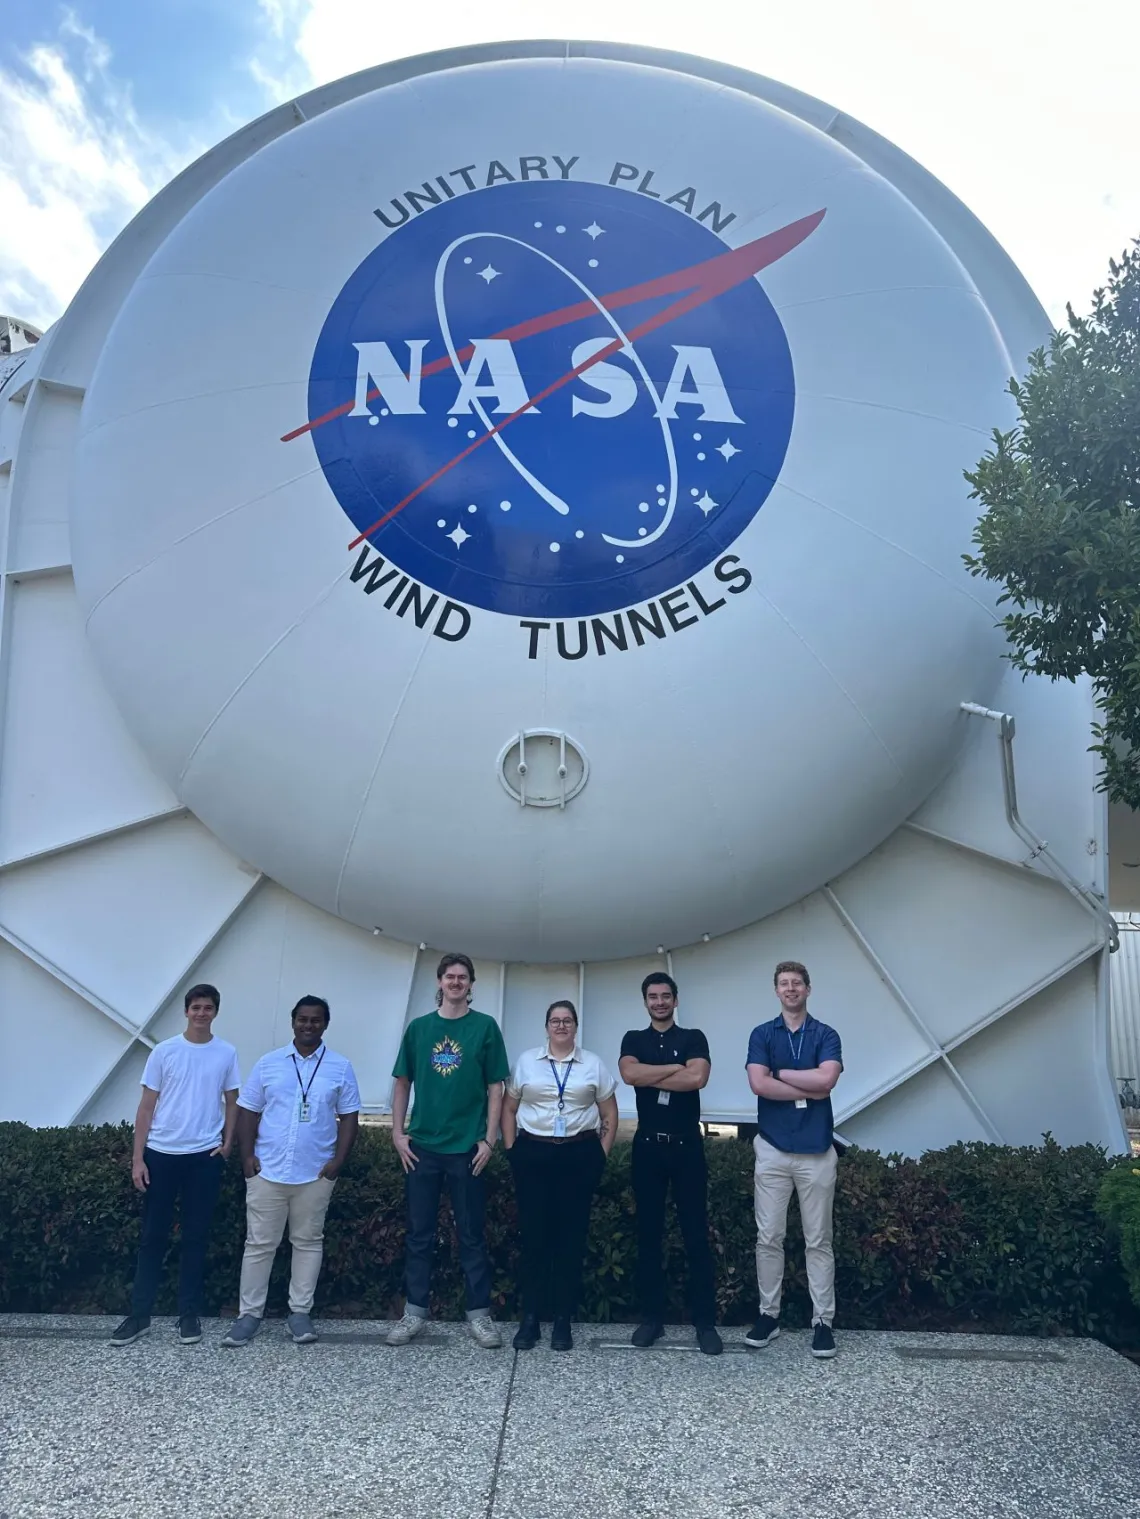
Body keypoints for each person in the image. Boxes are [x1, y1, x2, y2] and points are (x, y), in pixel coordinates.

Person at [387, 952, 510, 1349]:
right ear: (439, 982)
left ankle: (480, 1316)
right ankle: (414, 1313)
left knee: (471, 1235)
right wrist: (397, 1133)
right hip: (422, 1147)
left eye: (463, 977)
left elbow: (497, 1087)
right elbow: (402, 1081)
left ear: (472, 985)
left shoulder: (485, 1028)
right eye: (449, 976)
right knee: (419, 1235)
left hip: (466, 1149)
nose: (456, 982)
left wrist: (490, 1139)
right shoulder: (419, 1029)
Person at [222, 995, 360, 1347]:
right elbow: (249, 1110)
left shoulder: (340, 1067)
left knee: (309, 1243)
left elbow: (349, 1118)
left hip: (315, 1174)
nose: (308, 1025)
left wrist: (336, 1164)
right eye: (302, 1019)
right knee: (259, 1245)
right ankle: (248, 1315)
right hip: (267, 1171)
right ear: (292, 1022)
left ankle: (299, 1313)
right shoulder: (269, 1064)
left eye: (315, 1020)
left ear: (325, 1025)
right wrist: (247, 1158)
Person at [111, 983, 239, 1346]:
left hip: (204, 1158)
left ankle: (188, 1316)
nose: (201, 1013)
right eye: (196, 1007)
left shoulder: (226, 1053)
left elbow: (233, 1102)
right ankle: (139, 1317)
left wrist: (227, 1144)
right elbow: (146, 1107)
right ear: (186, 1011)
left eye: (208, 1007)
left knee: (196, 1238)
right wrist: (138, 1159)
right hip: (161, 1155)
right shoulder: (164, 1051)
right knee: (152, 1238)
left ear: (216, 1012)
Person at [502, 999, 618, 1352]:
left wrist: (599, 1155)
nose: (562, 1026)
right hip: (534, 1153)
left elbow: (608, 1111)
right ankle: (531, 1319)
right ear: (547, 1025)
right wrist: (512, 1150)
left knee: (570, 1240)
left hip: (578, 1155)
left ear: (576, 1026)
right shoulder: (526, 1062)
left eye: (568, 1021)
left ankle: (563, 1320)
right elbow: (509, 1107)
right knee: (534, 1238)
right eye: (555, 1020)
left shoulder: (592, 1064)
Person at [619, 972, 722, 1355]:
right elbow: (630, 1073)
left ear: (675, 1000)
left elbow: (698, 1079)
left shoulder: (693, 1037)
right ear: (645, 1002)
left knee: (695, 1235)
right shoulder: (634, 1040)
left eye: (665, 996)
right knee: (649, 1235)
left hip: (686, 1149)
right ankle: (651, 1320)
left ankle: (705, 1323)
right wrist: (674, 1070)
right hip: (648, 1148)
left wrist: (654, 1076)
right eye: (653, 996)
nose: (659, 1002)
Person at [744, 960, 843, 1359]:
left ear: (808, 989)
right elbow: (757, 1083)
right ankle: (769, 1316)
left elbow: (827, 1081)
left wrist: (779, 1075)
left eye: (796, 983)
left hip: (817, 1151)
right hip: (772, 1148)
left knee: (818, 1240)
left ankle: (823, 1322)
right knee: (768, 1238)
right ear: (776, 990)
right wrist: (806, 1084)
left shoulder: (826, 1034)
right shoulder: (762, 1033)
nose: (790, 989)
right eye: (784, 984)